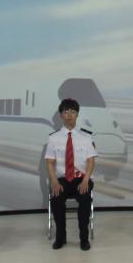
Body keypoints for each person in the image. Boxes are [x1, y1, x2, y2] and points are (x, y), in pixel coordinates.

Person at [45, 97, 96, 251]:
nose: (69, 115)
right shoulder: (53, 138)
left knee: (85, 198)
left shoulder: (86, 137)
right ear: (61, 115)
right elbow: (50, 162)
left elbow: (91, 161)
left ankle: (84, 238)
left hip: (81, 178)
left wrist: (86, 180)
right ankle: (61, 237)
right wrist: (54, 181)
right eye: (66, 111)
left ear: (77, 114)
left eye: (73, 112)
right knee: (56, 197)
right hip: (62, 179)